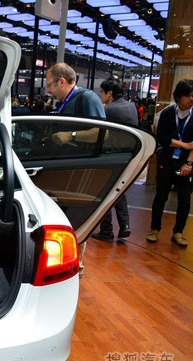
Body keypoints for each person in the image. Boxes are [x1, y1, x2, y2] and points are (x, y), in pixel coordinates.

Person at [45, 63, 106, 278]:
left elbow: (102, 132)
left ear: (62, 81)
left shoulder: (87, 98)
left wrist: (71, 135)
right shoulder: (64, 102)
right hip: (63, 166)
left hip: (80, 167)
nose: (48, 90)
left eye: (50, 85)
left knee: (76, 216)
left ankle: (76, 265)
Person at [91, 78, 139, 243]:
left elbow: (100, 134)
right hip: (128, 155)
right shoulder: (131, 106)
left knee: (103, 192)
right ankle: (125, 225)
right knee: (120, 190)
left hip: (109, 156)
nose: (100, 95)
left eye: (101, 92)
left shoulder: (109, 110)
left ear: (109, 93)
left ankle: (106, 230)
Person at [146, 79, 193, 247]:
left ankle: (178, 232)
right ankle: (154, 229)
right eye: (188, 96)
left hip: (187, 163)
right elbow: (163, 138)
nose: (191, 99)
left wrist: (188, 164)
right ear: (178, 97)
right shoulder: (166, 113)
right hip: (166, 160)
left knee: (185, 199)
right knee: (161, 196)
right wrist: (184, 145)